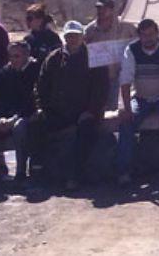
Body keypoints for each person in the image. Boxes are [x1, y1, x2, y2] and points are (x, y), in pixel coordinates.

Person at [35, 20, 108, 190]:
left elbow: (101, 88)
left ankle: (74, 176)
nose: (73, 39)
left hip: (85, 112)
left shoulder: (94, 57)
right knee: (35, 127)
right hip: (58, 111)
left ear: (82, 36)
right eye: (69, 36)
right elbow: (41, 86)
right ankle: (38, 172)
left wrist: (91, 111)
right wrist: (41, 108)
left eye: (76, 35)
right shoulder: (53, 58)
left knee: (85, 133)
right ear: (64, 38)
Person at [117, 19, 159, 185]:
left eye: (151, 34)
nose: (147, 39)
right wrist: (127, 109)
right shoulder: (132, 50)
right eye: (144, 35)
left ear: (157, 34)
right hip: (141, 97)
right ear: (139, 36)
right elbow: (125, 81)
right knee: (125, 122)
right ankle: (124, 170)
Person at [0, 42, 40, 184]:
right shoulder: (5, 72)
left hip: (28, 114)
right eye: (11, 56)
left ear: (26, 55)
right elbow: (0, 99)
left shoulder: (36, 71)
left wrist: (14, 118)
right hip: (7, 114)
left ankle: (20, 172)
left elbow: (32, 101)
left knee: (19, 127)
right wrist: (2, 117)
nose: (13, 59)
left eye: (17, 56)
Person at [84, 0, 136, 111]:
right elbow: (84, 50)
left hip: (122, 74)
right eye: (98, 8)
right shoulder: (90, 29)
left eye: (104, 8)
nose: (100, 11)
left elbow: (138, 42)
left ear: (112, 10)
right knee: (99, 108)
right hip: (98, 76)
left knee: (117, 109)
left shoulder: (126, 25)